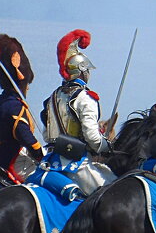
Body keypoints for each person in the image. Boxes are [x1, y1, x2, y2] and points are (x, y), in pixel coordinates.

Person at [37, 28, 112, 196]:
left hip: (50, 161)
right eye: (88, 71)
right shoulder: (86, 97)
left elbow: (46, 134)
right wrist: (107, 145)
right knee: (112, 192)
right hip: (76, 163)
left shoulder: (52, 97)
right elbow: (92, 137)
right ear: (83, 71)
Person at [0, 16, 42, 182]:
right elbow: (28, 140)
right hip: (5, 173)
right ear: (23, 78)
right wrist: (44, 158)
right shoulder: (15, 108)